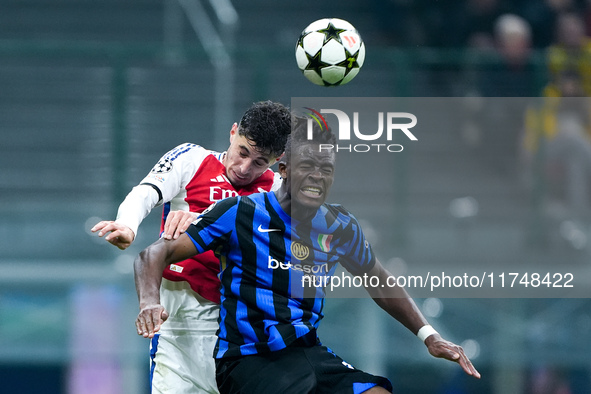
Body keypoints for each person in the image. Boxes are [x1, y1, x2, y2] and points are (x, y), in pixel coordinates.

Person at [134, 117, 481, 393]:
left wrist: (429, 336)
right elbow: (153, 253)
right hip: (250, 359)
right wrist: (150, 301)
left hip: (307, 351)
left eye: (326, 170)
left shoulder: (338, 224)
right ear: (282, 169)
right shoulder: (239, 212)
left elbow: (378, 279)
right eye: (308, 167)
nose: (317, 177)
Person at [92, 100, 291, 393]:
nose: (245, 168)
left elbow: (277, 251)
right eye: (242, 152)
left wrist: (201, 219)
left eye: (259, 162)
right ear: (233, 133)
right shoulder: (191, 158)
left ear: (277, 159)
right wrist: (128, 224)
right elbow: (145, 192)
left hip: (241, 328)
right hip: (178, 323)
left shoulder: (278, 190)